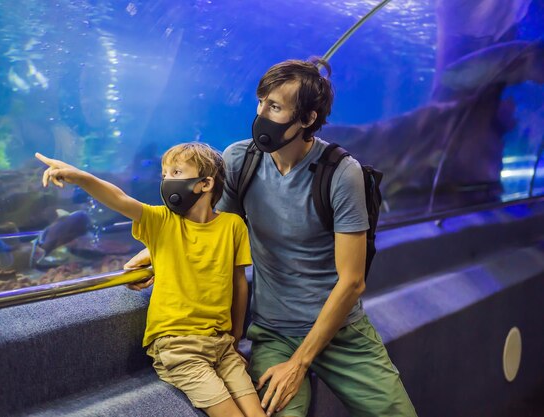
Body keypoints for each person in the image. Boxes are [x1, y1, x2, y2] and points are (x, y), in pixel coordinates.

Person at [127, 58, 418, 417]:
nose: (261, 114)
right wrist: (159, 250)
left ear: (308, 118)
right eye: (261, 101)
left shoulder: (341, 173)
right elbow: (215, 232)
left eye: (275, 107)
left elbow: (352, 282)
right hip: (274, 333)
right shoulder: (239, 160)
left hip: (342, 333)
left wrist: (299, 364)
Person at [35, 143, 267, 417]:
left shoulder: (232, 226)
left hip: (222, 344)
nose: (167, 180)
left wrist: (236, 337)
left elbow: (239, 285)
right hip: (178, 346)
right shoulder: (162, 221)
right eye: (164, 174)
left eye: (176, 172)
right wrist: (82, 177)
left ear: (205, 184)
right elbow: (119, 198)